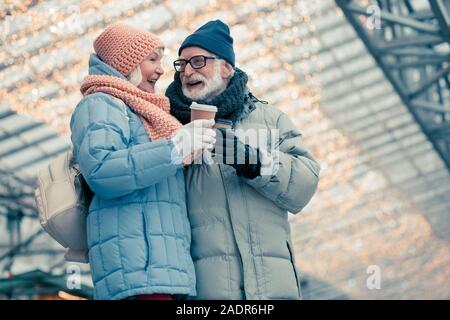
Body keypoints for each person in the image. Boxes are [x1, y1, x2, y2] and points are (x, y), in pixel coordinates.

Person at [166, 20, 320, 300]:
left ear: (226, 67)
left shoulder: (270, 119)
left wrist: (254, 162)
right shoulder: (168, 125)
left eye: (198, 61)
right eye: (182, 64)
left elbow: (305, 183)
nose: (187, 71)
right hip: (206, 293)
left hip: (273, 289)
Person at [70, 23, 216, 300]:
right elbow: (102, 171)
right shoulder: (101, 104)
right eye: (152, 59)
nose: (161, 69)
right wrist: (174, 149)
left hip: (161, 268)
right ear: (126, 63)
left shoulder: (145, 110)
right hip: (138, 269)